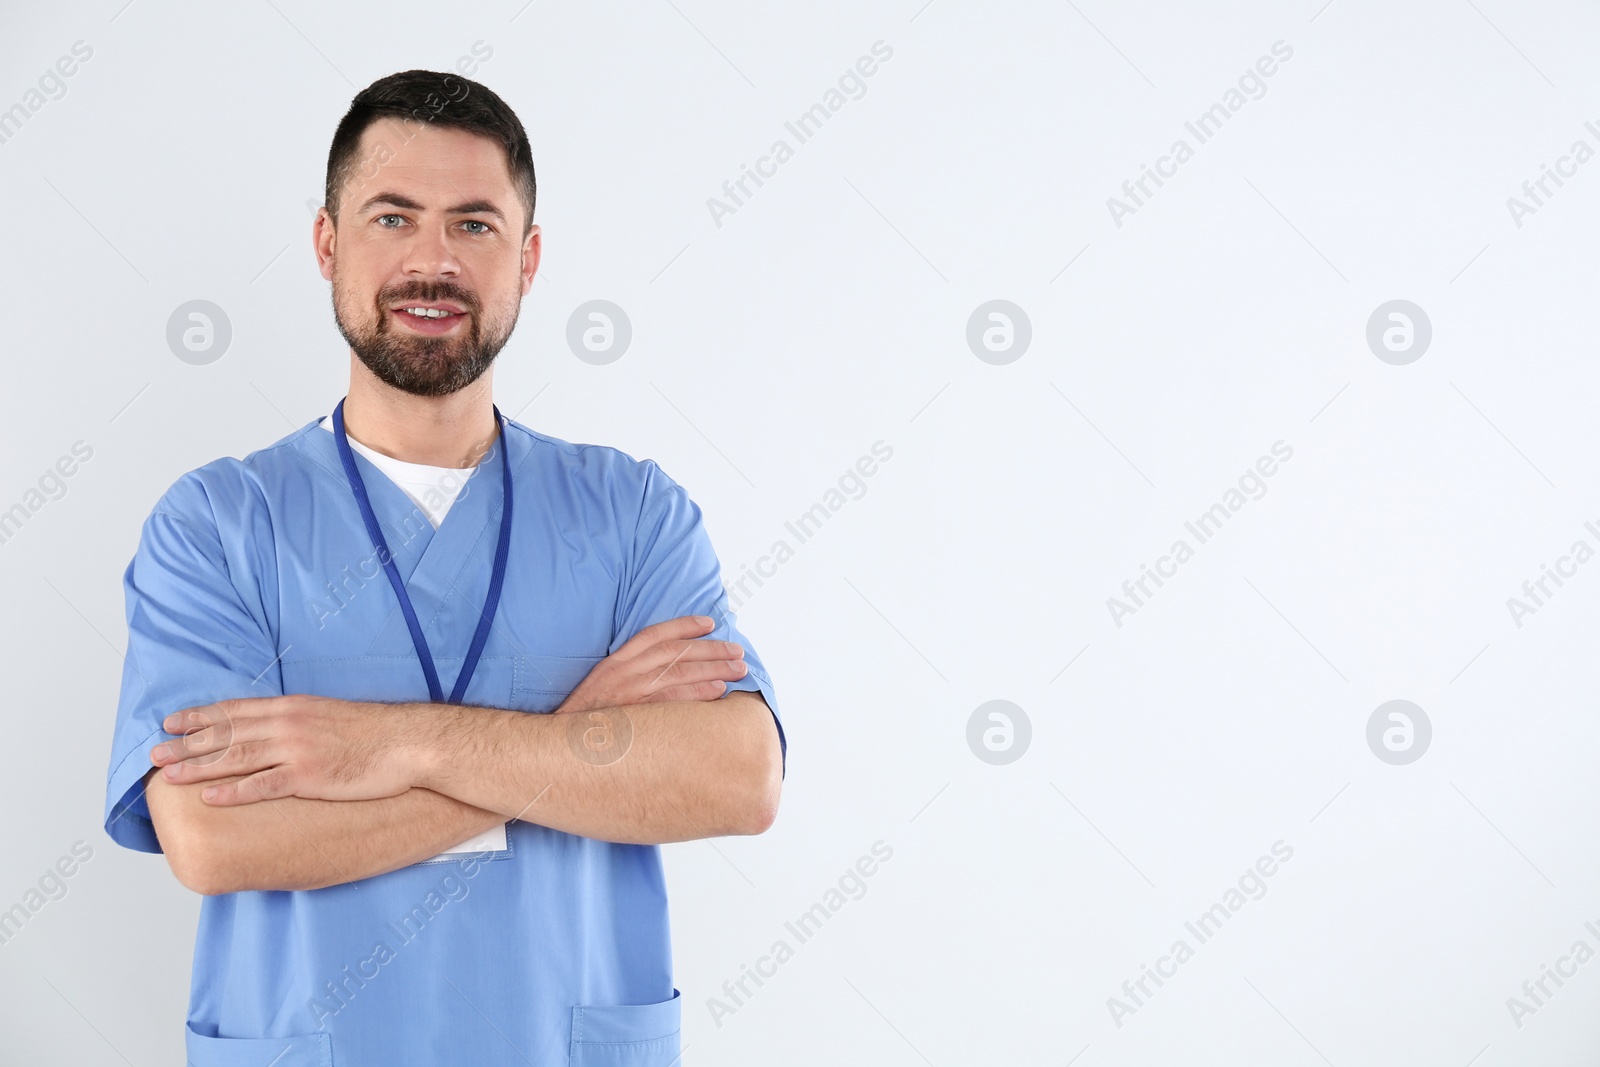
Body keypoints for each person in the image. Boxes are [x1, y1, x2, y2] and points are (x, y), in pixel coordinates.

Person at [100, 69, 785, 1067]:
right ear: (327, 242)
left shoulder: (631, 514)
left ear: (529, 256)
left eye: (474, 224)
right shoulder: (218, 525)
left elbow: (738, 775)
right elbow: (213, 839)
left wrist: (388, 748)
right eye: (392, 217)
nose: (433, 261)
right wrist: (569, 740)